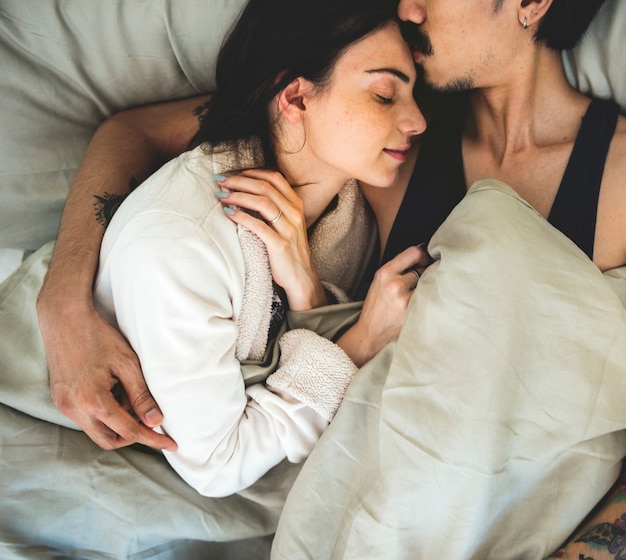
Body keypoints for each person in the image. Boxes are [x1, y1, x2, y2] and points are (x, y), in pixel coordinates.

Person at [32, 0, 626, 551]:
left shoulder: (618, 174)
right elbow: (132, 134)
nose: (407, 9)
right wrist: (64, 303)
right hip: (347, 480)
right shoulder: (374, 129)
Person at [71, 0, 426, 496]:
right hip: (92, 456)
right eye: (385, 95)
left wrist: (306, 292)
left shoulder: (351, 212)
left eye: (414, 94)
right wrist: (360, 343)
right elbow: (215, 465)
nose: (417, 121)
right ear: (296, 99)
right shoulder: (181, 245)